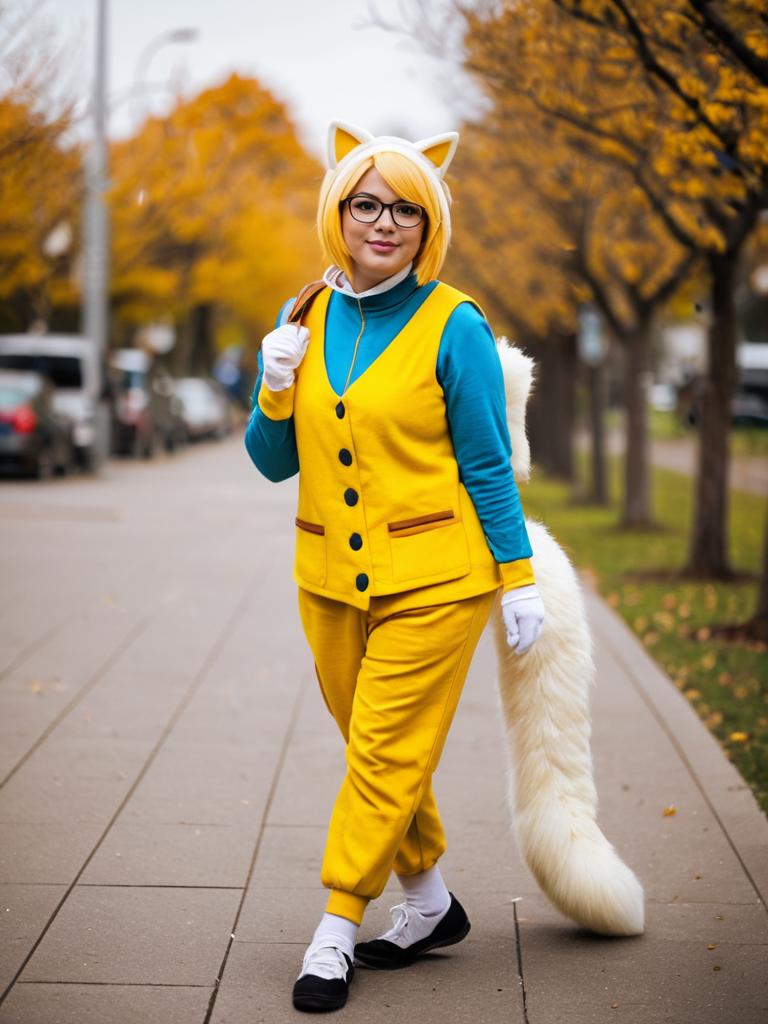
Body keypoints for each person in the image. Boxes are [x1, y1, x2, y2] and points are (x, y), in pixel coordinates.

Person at [244, 121, 545, 1013]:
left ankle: (335, 928)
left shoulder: (456, 323)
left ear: (429, 224)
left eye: (404, 209)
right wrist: (273, 384)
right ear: (338, 211)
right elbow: (269, 460)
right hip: (329, 577)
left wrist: (517, 574)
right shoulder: (304, 315)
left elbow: (488, 462)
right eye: (365, 203)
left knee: (379, 754)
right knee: (379, 748)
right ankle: (431, 902)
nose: (383, 221)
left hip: (439, 579)